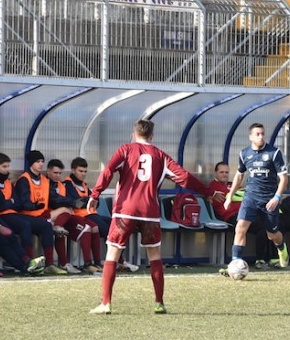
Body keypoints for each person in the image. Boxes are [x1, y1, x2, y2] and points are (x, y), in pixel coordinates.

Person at [88, 119, 209, 315]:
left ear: (134, 134)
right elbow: (184, 177)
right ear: (151, 136)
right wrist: (207, 191)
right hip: (150, 212)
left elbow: (108, 170)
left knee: (112, 253)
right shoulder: (161, 156)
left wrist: (95, 195)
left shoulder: (125, 150)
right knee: (154, 256)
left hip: (124, 211)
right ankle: (159, 302)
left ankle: (106, 303)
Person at [221, 123, 290, 274]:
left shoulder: (274, 153)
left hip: (269, 200)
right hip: (250, 198)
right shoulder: (244, 153)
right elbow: (239, 175)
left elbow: (283, 178)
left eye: (263, 134)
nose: (261, 137)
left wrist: (277, 197)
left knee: (272, 235)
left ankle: (282, 248)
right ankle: (234, 264)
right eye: (257, 134)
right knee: (240, 228)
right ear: (250, 136)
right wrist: (230, 197)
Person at [45, 159, 103, 274]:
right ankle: (64, 263)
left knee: (90, 227)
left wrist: (72, 202)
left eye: (60, 173)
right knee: (63, 220)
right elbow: (55, 201)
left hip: (66, 216)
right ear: (48, 172)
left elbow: (71, 200)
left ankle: (92, 263)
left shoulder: (62, 185)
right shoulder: (46, 184)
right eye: (55, 173)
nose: (58, 176)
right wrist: (71, 202)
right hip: (48, 215)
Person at [13, 150, 66, 275]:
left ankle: (49, 264)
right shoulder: (23, 180)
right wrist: (34, 205)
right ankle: (31, 263)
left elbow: (53, 198)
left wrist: (71, 202)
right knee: (42, 225)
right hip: (26, 216)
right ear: (31, 163)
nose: (41, 164)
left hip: (40, 215)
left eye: (42, 161)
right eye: (37, 162)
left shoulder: (44, 179)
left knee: (48, 225)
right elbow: (23, 203)